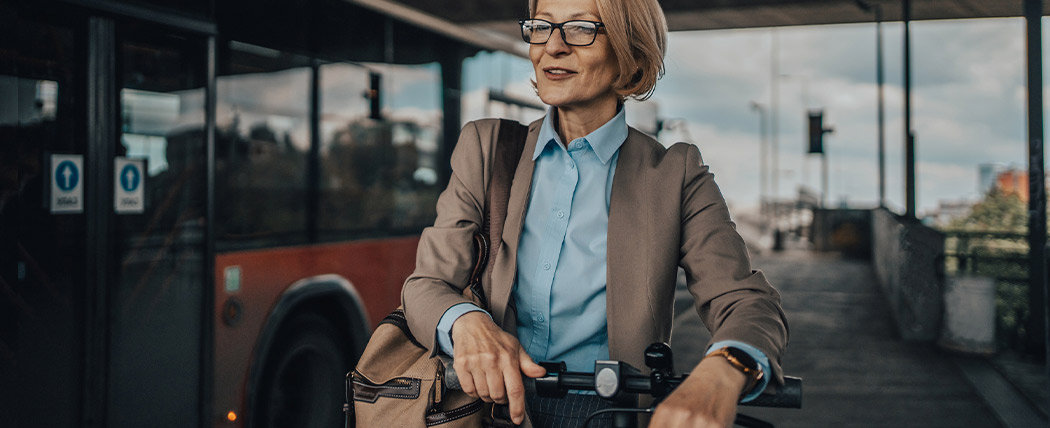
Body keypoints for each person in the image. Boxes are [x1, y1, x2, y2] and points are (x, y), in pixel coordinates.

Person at [401, 0, 789, 426]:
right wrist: (466, 321)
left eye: (581, 29)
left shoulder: (675, 173)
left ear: (631, 54)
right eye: (542, 27)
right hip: (482, 407)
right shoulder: (486, 146)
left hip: (605, 412)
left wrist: (725, 368)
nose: (553, 47)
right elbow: (427, 285)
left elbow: (746, 301)